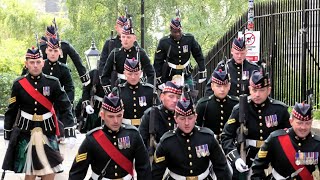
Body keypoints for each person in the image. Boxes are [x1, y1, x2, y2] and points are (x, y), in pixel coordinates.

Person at [2, 46, 76, 180]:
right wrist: (7, 133)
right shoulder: (19, 84)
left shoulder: (53, 83)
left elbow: (65, 107)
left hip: (48, 131)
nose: (35, 66)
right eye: (31, 62)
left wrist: (70, 131)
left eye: (38, 62)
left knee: (49, 172)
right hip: (26, 131)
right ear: (26, 64)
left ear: (43, 62)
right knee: (30, 173)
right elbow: (11, 111)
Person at [221, 70, 291, 179]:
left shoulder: (279, 110)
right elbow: (226, 137)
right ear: (249, 89)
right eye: (254, 90)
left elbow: (289, 137)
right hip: (248, 157)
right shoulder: (240, 109)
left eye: (262, 90)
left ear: (269, 90)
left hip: (273, 158)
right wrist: (236, 158)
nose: (257, 94)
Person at [69, 91, 151, 180]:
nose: (116, 121)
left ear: (123, 113)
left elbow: (144, 167)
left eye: (119, 115)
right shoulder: (92, 139)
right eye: (111, 116)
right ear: (102, 115)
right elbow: (77, 172)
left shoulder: (133, 134)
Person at [152, 93, 232, 180]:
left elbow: (221, 167)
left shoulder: (207, 137)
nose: (187, 123)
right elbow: (157, 172)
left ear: (195, 117)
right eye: (182, 119)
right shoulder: (167, 141)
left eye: (190, 118)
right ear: (175, 119)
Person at [251, 102, 320, 180]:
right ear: (291, 121)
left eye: (307, 123)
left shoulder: (317, 144)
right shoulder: (276, 139)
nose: (303, 127)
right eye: (299, 123)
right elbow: (257, 168)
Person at [101, 18, 154, 93]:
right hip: (120, 89)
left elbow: (151, 73)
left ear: (134, 38)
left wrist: (148, 90)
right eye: (123, 37)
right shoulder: (115, 54)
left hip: (139, 88)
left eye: (128, 37)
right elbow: (105, 76)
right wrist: (111, 93)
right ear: (121, 38)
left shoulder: (140, 53)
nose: (125, 40)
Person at [154, 15, 207, 90]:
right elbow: (158, 62)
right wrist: (159, 81)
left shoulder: (189, 39)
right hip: (170, 75)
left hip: (186, 73)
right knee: (171, 98)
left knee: (191, 95)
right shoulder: (164, 42)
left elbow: (198, 54)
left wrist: (202, 69)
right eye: (175, 32)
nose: (177, 34)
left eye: (179, 31)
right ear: (171, 30)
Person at [196, 68, 238, 142]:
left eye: (225, 86)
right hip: (210, 143)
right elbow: (197, 128)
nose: (222, 89)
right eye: (218, 86)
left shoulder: (236, 103)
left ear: (229, 86)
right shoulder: (203, 104)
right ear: (212, 86)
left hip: (230, 144)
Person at [139, 81, 182, 151]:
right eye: (171, 96)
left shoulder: (182, 116)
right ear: (162, 97)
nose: (175, 100)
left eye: (178, 97)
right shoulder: (151, 114)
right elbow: (141, 142)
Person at [118, 56, 155, 126]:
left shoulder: (149, 90)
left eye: (136, 74)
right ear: (125, 73)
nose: (133, 77)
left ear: (140, 73)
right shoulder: (119, 91)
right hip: (125, 128)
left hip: (145, 128)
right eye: (130, 74)